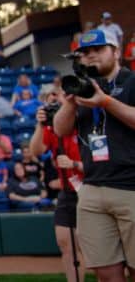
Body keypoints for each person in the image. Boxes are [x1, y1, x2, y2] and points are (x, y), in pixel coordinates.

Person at [54, 29, 135, 282]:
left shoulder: (131, 81)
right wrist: (70, 102)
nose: (90, 57)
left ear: (116, 52)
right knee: (105, 273)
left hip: (131, 186)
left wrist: (106, 102)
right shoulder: (84, 89)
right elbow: (60, 129)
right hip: (92, 186)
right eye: (85, 53)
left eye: (98, 50)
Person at [30, 89, 86, 282]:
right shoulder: (52, 127)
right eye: (50, 98)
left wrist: (75, 165)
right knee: (66, 244)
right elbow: (36, 150)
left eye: (58, 95)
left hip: (93, 189)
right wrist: (40, 123)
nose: (53, 100)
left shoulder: (86, 121)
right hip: (69, 191)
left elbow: (106, 164)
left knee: (100, 248)